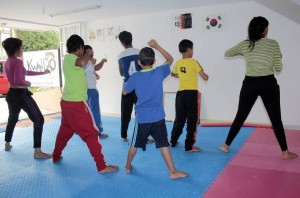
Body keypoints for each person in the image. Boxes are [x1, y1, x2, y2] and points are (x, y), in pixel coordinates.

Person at [218, 16, 297, 160]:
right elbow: (278, 68)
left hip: (250, 84)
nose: (267, 30)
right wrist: (279, 57)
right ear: (264, 29)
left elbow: (227, 53)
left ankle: (226, 145)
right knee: (276, 119)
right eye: (266, 27)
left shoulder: (246, 44)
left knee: (240, 115)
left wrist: (245, 51)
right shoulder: (273, 44)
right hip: (268, 84)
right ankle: (285, 152)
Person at [52, 34, 118, 173]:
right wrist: (89, 53)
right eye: (84, 49)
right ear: (80, 48)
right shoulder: (72, 58)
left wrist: (94, 71)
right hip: (76, 103)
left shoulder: (69, 60)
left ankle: (56, 155)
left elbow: (82, 69)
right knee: (91, 133)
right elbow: (82, 62)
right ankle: (102, 166)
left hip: (67, 102)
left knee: (65, 130)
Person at [123, 39, 188, 179]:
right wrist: (157, 46)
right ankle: (172, 172)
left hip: (142, 119)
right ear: (154, 61)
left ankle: (128, 166)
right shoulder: (159, 72)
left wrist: (130, 83)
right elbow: (170, 59)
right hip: (158, 117)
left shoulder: (136, 76)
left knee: (134, 144)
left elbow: (124, 92)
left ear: (139, 63)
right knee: (164, 144)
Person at [2, 37, 52, 159]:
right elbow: (19, 80)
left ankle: (7, 143)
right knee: (39, 119)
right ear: (16, 48)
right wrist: (28, 83)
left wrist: (42, 72)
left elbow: (24, 73)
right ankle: (38, 152)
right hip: (21, 95)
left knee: (12, 119)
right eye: (21, 47)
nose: (22, 49)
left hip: (11, 94)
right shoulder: (17, 62)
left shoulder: (8, 62)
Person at [170, 39, 208, 152]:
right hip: (191, 94)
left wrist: (182, 76)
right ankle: (189, 146)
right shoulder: (193, 62)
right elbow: (205, 77)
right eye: (192, 49)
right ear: (189, 49)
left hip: (180, 94)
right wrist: (206, 75)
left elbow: (173, 74)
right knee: (192, 120)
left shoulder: (178, 62)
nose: (193, 51)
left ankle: (173, 141)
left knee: (179, 119)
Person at [118, 31, 154, 144]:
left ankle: (123, 136)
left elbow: (121, 73)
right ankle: (144, 137)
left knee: (125, 113)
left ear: (121, 42)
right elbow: (145, 68)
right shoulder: (139, 52)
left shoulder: (120, 56)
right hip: (140, 88)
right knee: (142, 113)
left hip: (127, 88)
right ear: (131, 39)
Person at [83, 45, 108, 139]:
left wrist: (94, 73)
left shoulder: (85, 61)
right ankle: (98, 132)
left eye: (92, 50)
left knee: (87, 112)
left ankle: (87, 131)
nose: (91, 52)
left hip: (85, 89)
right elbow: (96, 67)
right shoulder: (86, 61)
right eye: (90, 50)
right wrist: (102, 61)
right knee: (94, 112)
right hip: (90, 90)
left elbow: (91, 70)